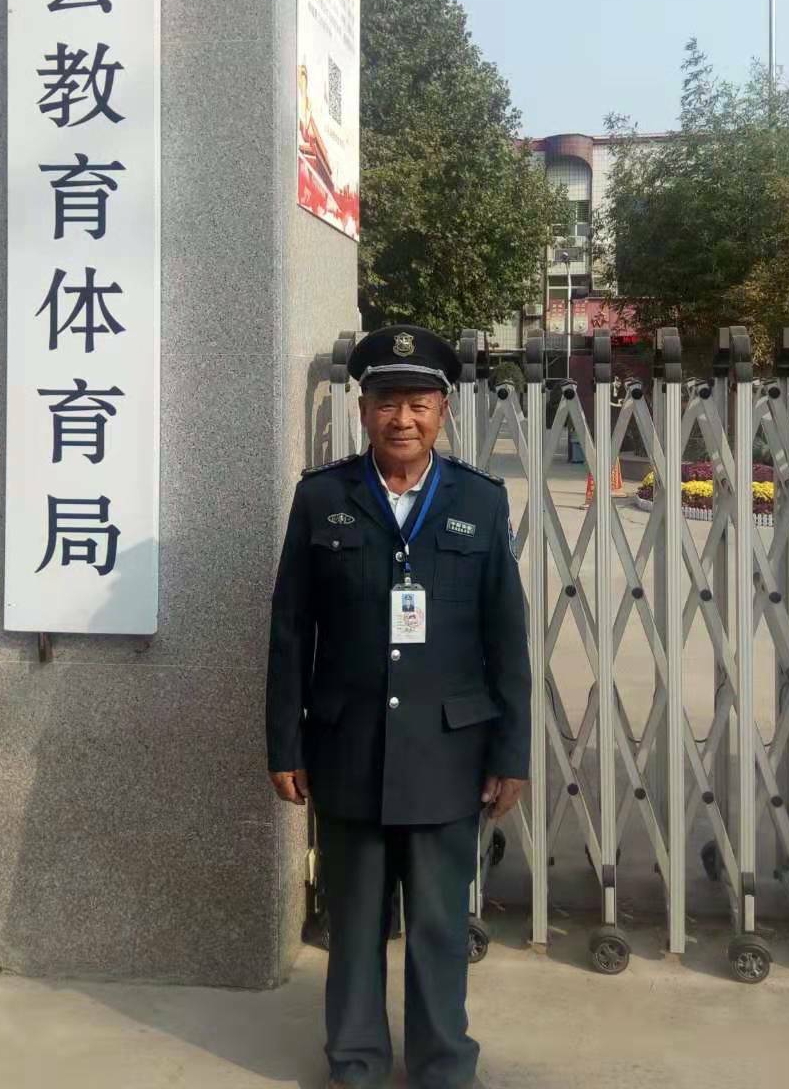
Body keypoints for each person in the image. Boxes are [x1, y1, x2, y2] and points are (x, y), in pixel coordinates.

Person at [266, 325, 531, 1089]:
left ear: (442, 411)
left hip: (448, 754)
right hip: (349, 747)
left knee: (441, 928)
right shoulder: (323, 499)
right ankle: (356, 1062)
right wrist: (285, 744)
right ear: (363, 409)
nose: (402, 419)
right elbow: (291, 630)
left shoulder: (479, 501)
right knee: (352, 925)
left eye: (418, 403)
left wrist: (510, 754)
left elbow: (505, 638)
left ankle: (443, 1064)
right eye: (387, 402)